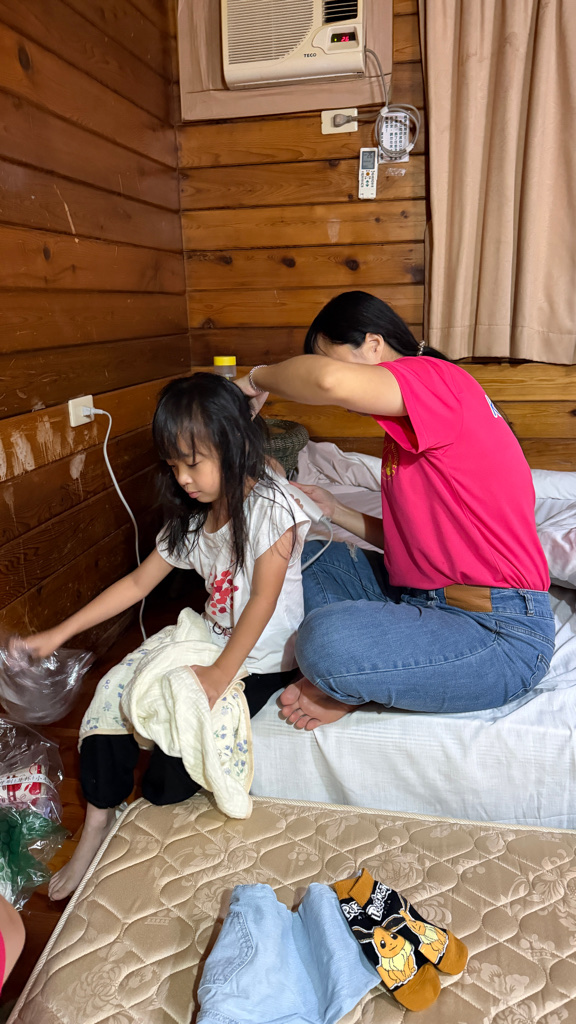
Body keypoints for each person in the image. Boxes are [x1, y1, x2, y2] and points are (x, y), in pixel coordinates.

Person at [21, 373, 309, 898]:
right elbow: (137, 583)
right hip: (208, 637)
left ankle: (143, 815)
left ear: (233, 444)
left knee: (166, 784)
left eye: (192, 463)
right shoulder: (194, 519)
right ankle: (98, 820)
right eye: (174, 465)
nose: (183, 479)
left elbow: (262, 602)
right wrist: (57, 634)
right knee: (112, 693)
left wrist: (219, 676)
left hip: (261, 659)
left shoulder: (273, 507)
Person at [235, 290, 555, 731]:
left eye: (330, 356)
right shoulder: (410, 425)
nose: (337, 394)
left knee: (325, 640)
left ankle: (350, 679)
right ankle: (367, 670)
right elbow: (414, 545)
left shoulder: (436, 378)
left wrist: (256, 379)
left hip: (497, 632)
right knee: (303, 557)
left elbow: (328, 382)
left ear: (373, 344)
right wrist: (335, 509)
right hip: (421, 596)